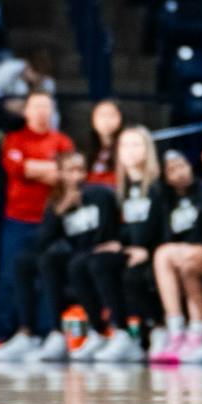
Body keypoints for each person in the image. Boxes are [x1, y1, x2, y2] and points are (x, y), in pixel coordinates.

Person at [0, 93, 76, 362]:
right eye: (36, 106)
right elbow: (17, 168)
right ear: (26, 111)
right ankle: (0, 336)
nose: (41, 112)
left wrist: (35, 168)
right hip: (18, 219)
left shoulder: (62, 141)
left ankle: (46, 335)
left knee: (49, 276)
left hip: (52, 222)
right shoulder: (14, 140)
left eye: (47, 106)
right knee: (9, 277)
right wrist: (49, 169)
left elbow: (68, 173)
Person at [70, 126, 161, 364]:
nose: (130, 151)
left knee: (109, 268)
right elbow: (124, 228)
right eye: (125, 146)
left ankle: (127, 333)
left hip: (154, 252)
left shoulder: (157, 187)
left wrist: (149, 250)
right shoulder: (119, 190)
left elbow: (165, 226)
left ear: (147, 150)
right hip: (130, 251)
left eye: (136, 145)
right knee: (81, 264)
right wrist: (117, 243)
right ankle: (100, 331)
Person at [32, 150, 123, 364]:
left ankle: (99, 331)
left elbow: (110, 231)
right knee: (44, 261)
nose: (77, 176)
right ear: (61, 174)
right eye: (71, 171)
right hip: (76, 256)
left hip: (96, 254)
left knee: (80, 264)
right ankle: (55, 333)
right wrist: (61, 210)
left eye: (81, 170)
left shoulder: (100, 194)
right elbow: (43, 242)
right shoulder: (55, 202)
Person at [149, 150, 202, 363]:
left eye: (182, 165)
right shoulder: (164, 199)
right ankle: (176, 330)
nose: (179, 172)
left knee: (184, 261)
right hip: (178, 251)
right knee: (163, 255)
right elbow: (161, 235)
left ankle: (196, 331)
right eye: (172, 170)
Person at [0, 48, 59, 127]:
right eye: (36, 71)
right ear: (27, 65)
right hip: (0, 112)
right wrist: (4, 104)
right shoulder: (8, 69)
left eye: (43, 75)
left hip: (30, 120)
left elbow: (53, 113)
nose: (38, 78)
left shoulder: (48, 82)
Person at [84, 100, 123, 187]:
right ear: (93, 119)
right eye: (102, 115)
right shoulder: (85, 149)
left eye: (111, 115)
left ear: (120, 118)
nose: (106, 120)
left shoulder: (125, 148)